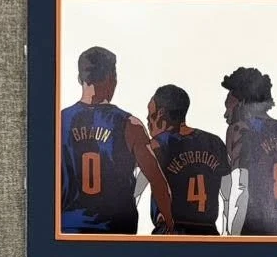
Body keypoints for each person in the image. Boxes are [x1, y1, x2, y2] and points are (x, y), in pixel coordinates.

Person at [61, 46, 175, 234]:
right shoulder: (130, 125)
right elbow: (158, 182)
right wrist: (170, 222)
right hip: (117, 233)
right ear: (111, 77)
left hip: (70, 231)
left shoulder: (58, 122)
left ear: (80, 79)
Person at [218, 66, 277, 237]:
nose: (225, 114)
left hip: (253, 228)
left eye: (228, 107)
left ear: (242, 104)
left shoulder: (240, 129)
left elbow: (239, 186)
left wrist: (230, 236)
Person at [145, 85, 228, 235]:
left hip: (172, 231)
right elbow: (228, 193)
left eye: (150, 115)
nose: (147, 121)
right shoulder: (215, 142)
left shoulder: (158, 145)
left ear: (161, 115)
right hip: (208, 231)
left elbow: (134, 191)